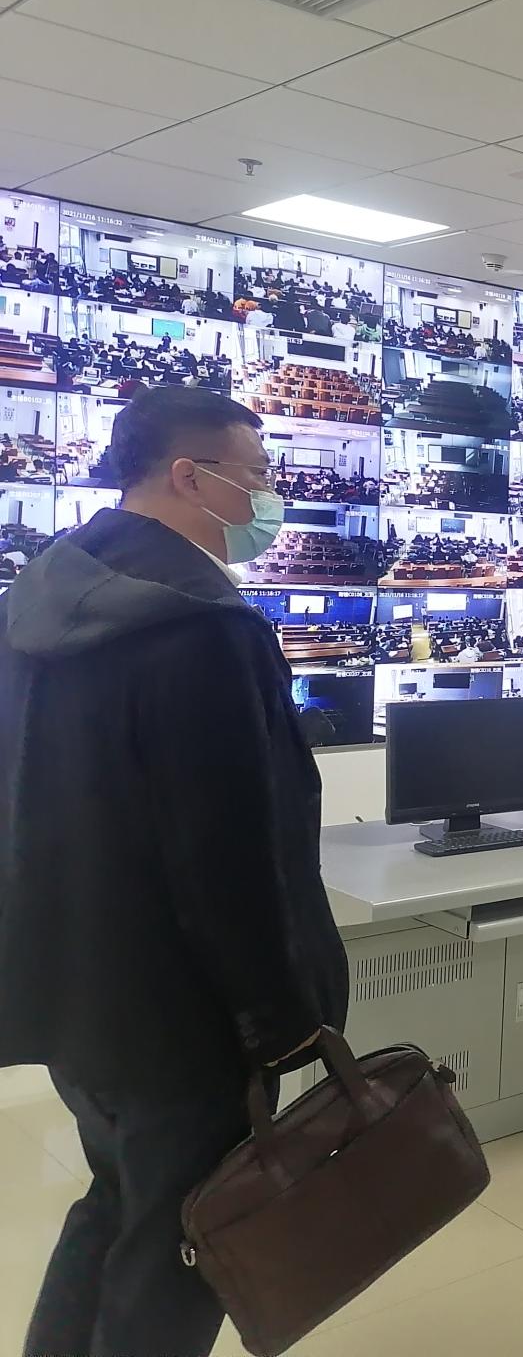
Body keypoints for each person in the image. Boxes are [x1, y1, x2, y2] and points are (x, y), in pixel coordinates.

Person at [0, 385, 348, 1357]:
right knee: (185, 1250)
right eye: (259, 476)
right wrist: (281, 1020)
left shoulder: (38, 597)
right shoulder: (202, 629)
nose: (270, 498)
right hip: (181, 1017)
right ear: (189, 476)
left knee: (117, 1202)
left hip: (73, 994)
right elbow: (229, 856)